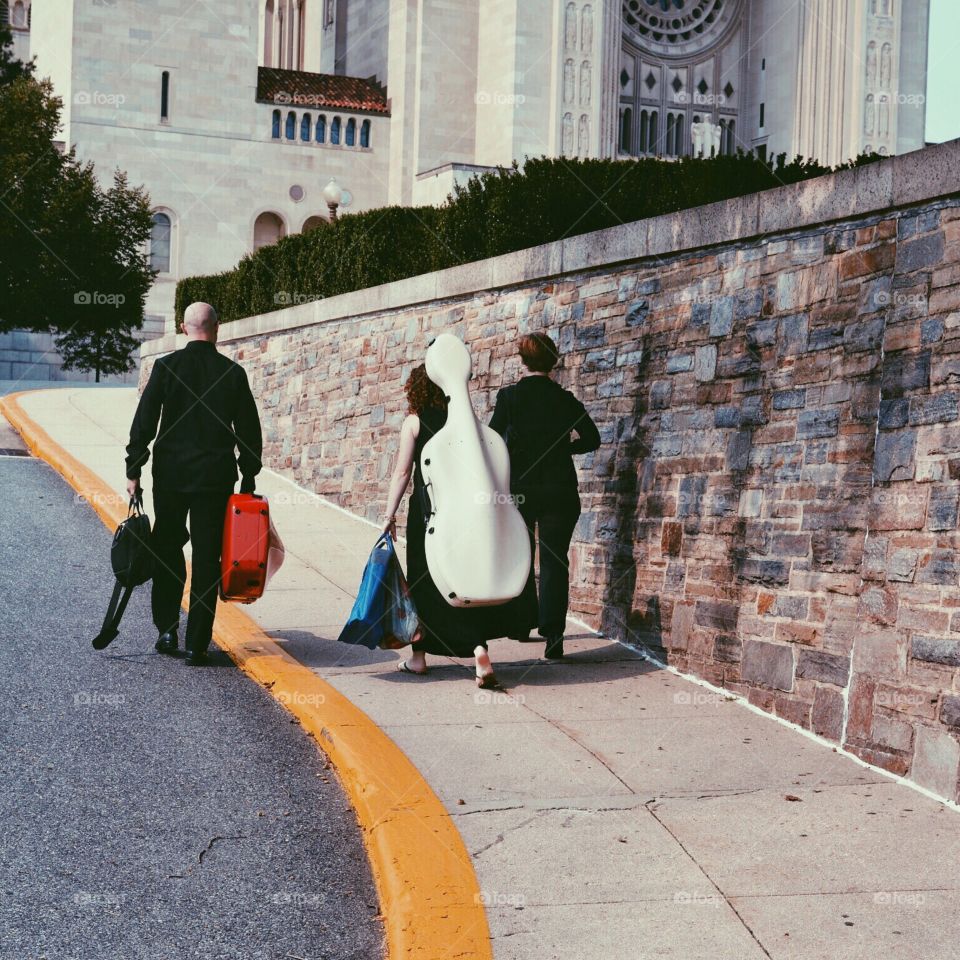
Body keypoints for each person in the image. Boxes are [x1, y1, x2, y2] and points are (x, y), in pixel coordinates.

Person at [125, 302, 263, 665]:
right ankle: (198, 643)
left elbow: (145, 420)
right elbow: (249, 431)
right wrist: (248, 473)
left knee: (167, 548)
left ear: (183, 329)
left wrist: (134, 467)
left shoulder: (166, 367)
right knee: (206, 558)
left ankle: (167, 628)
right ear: (217, 327)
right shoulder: (232, 373)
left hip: (170, 476)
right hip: (214, 480)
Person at [382, 364, 500, 688]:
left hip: (427, 512)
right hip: (461, 513)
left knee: (422, 581)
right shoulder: (463, 423)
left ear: (415, 389)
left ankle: (419, 658)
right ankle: (478, 649)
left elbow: (402, 474)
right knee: (460, 582)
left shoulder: (414, 423)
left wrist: (389, 515)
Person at [490, 332, 601, 660]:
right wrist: (565, 447)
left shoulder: (509, 398)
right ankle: (553, 633)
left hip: (521, 489)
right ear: (552, 362)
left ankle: (522, 623)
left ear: (523, 361)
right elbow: (592, 438)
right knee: (555, 560)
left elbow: (493, 439)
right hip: (559, 489)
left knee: (521, 555)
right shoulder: (563, 399)